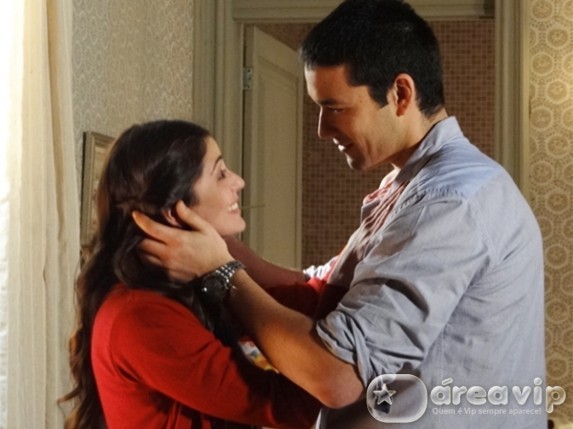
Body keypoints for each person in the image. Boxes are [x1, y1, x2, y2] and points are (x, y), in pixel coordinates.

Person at [133, 1, 546, 427]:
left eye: (335, 108)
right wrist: (218, 246)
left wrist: (221, 272)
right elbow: (325, 287)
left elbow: (337, 376)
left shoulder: (448, 202)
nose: (322, 129)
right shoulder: (413, 184)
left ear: (401, 94)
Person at [61, 120, 320, 429]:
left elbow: (312, 302)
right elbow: (289, 406)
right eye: (220, 173)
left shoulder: (189, 282)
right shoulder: (140, 315)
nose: (238, 182)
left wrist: (231, 257)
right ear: (176, 211)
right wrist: (225, 269)